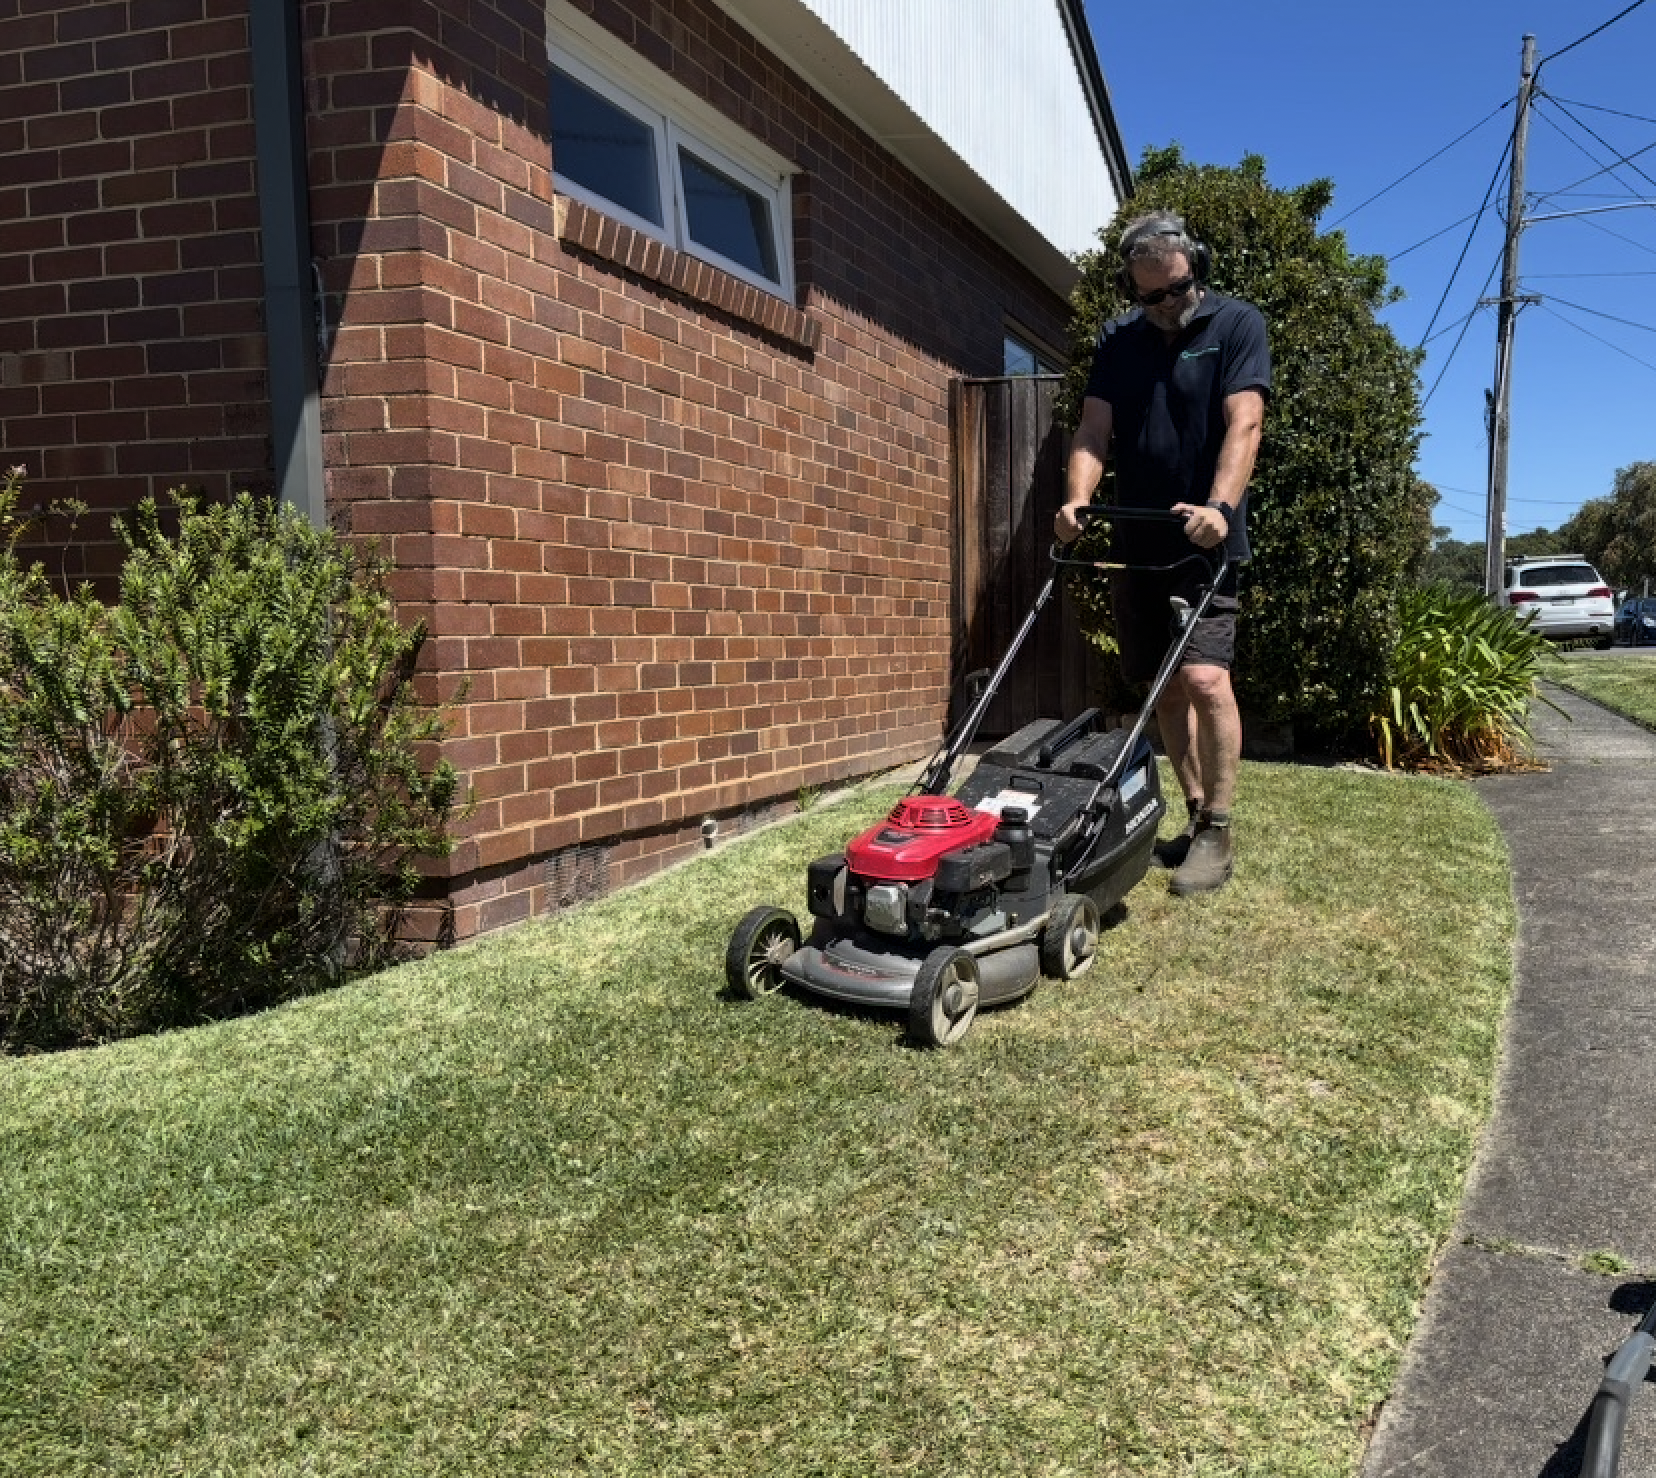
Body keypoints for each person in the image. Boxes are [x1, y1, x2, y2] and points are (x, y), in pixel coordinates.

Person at [1055, 210, 1270, 896]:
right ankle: (1196, 813)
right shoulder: (1118, 342)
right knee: (1164, 690)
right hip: (1137, 538)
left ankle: (1220, 831)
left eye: (1177, 289)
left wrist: (1221, 507)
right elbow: (1093, 430)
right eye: (1151, 297)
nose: (1168, 306)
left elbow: (1246, 421)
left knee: (1207, 680)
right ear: (1131, 289)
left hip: (1204, 535)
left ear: (1194, 267)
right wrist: (1075, 500)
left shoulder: (1236, 325)